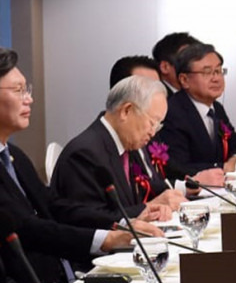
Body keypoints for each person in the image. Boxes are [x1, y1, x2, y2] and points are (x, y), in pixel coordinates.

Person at [0, 48, 157, 283]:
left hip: (64, 281)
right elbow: (26, 227)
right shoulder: (86, 151)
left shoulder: (14, 156)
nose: (28, 99)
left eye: (27, 89)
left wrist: (119, 227)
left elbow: (58, 207)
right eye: (18, 90)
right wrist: (106, 239)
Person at [51, 76, 184, 223]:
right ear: (126, 111)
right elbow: (89, 218)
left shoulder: (128, 144)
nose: (153, 133)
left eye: (158, 126)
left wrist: (157, 207)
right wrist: (147, 208)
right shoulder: (84, 153)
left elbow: (131, 202)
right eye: (152, 123)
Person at [157, 43, 236, 181]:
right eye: (207, 72)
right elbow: (178, 167)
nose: (216, 78)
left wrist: (234, 159)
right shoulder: (172, 113)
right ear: (184, 80)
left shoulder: (216, 108)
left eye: (218, 71)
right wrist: (223, 168)